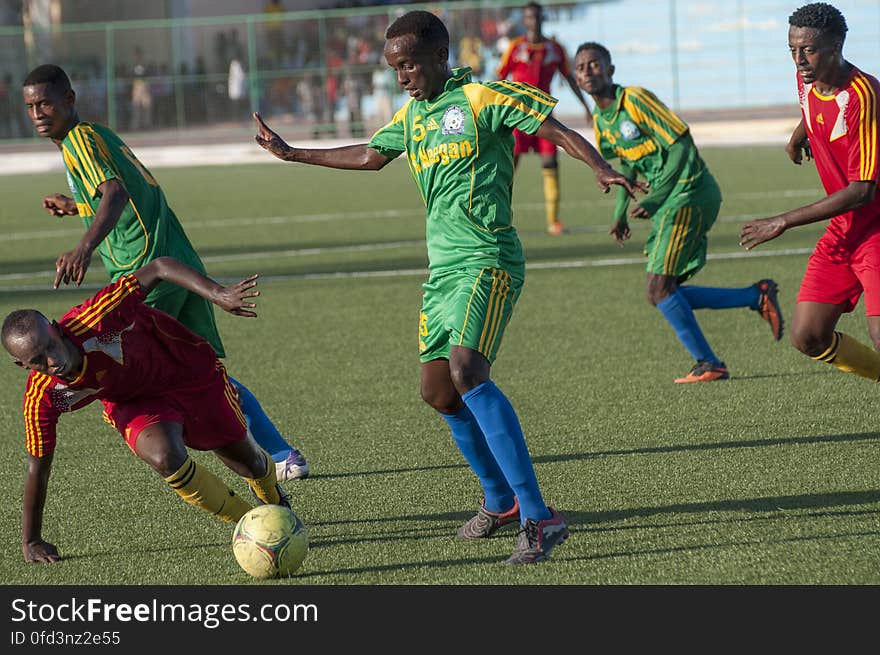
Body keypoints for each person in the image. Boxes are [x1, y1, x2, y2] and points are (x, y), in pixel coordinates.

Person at [253, 10, 646, 564]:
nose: (403, 77)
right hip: (443, 272)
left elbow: (552, 129)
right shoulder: (412, 116)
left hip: (489, 259)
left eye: (410, 64)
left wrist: (600, 166)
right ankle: (500, 501)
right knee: (438, 391)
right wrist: (294, 153)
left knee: (467, 371)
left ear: (441, 56)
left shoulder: (484, 97)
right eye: (395, 68)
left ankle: (540, 517)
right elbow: (371, 155)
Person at [21, 64, 308, 481]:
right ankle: (282, 453)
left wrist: (84, 247)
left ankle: (264, 457)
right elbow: (132, 193)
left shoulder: (77, 141)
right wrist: (77, 206)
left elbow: (115, 194)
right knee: (205, 368)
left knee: (155, 376)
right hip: (177, 260)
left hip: (146, 273)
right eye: (30, 106)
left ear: (69, 99)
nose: (37, 113)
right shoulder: (98, 134)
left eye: (45, 102)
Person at [2, 257, 289, 564]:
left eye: (50, 346)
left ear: (56, 329)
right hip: (133, 401)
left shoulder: (97, 317)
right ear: (22, 365)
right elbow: (38, 466)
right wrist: (31, 540)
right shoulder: (42, 399)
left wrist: (218, 294)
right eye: (37, 360)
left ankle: (273, 500)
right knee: (164, 456)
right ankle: (250, 524)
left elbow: (160, 267)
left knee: (250, 463)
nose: (52, 360)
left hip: (189, 373)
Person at [575, 41, 784, 383]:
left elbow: (681, 145)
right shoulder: (601, 120)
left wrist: (655, 198)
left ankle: (709, 362)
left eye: (595, 64)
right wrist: (620, 211)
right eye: (581, 67)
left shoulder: (635, 99)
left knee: (658, 289)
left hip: (691, 191)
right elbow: (628, 166)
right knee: (663, 290)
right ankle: (755, 296)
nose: (588, 71)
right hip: (670, 199)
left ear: (611, 69)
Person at [740, 3, 880, 383]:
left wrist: (783, 220)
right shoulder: (808, 78)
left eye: (809, 50)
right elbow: (813, 103)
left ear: (837, 46)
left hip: (876, 229)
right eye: (793, 50)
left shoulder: (863, 96)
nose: (799, 59)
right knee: (808, 336)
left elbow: (862, 191)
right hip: (843, 231)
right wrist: (800, 134)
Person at [496, 2, 593, 236]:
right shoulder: (515, 47)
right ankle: (499, 219)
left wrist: (586, 106)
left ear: (543, 18)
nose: (534, 21)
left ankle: (554, 222)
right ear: (524, 20)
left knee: (551, 164)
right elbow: (499, 79)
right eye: (530, 17)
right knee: (508, 169)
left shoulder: (555, 48)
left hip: (545, 118)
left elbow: (570, 78)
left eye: (538, 17)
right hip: (517, 117)